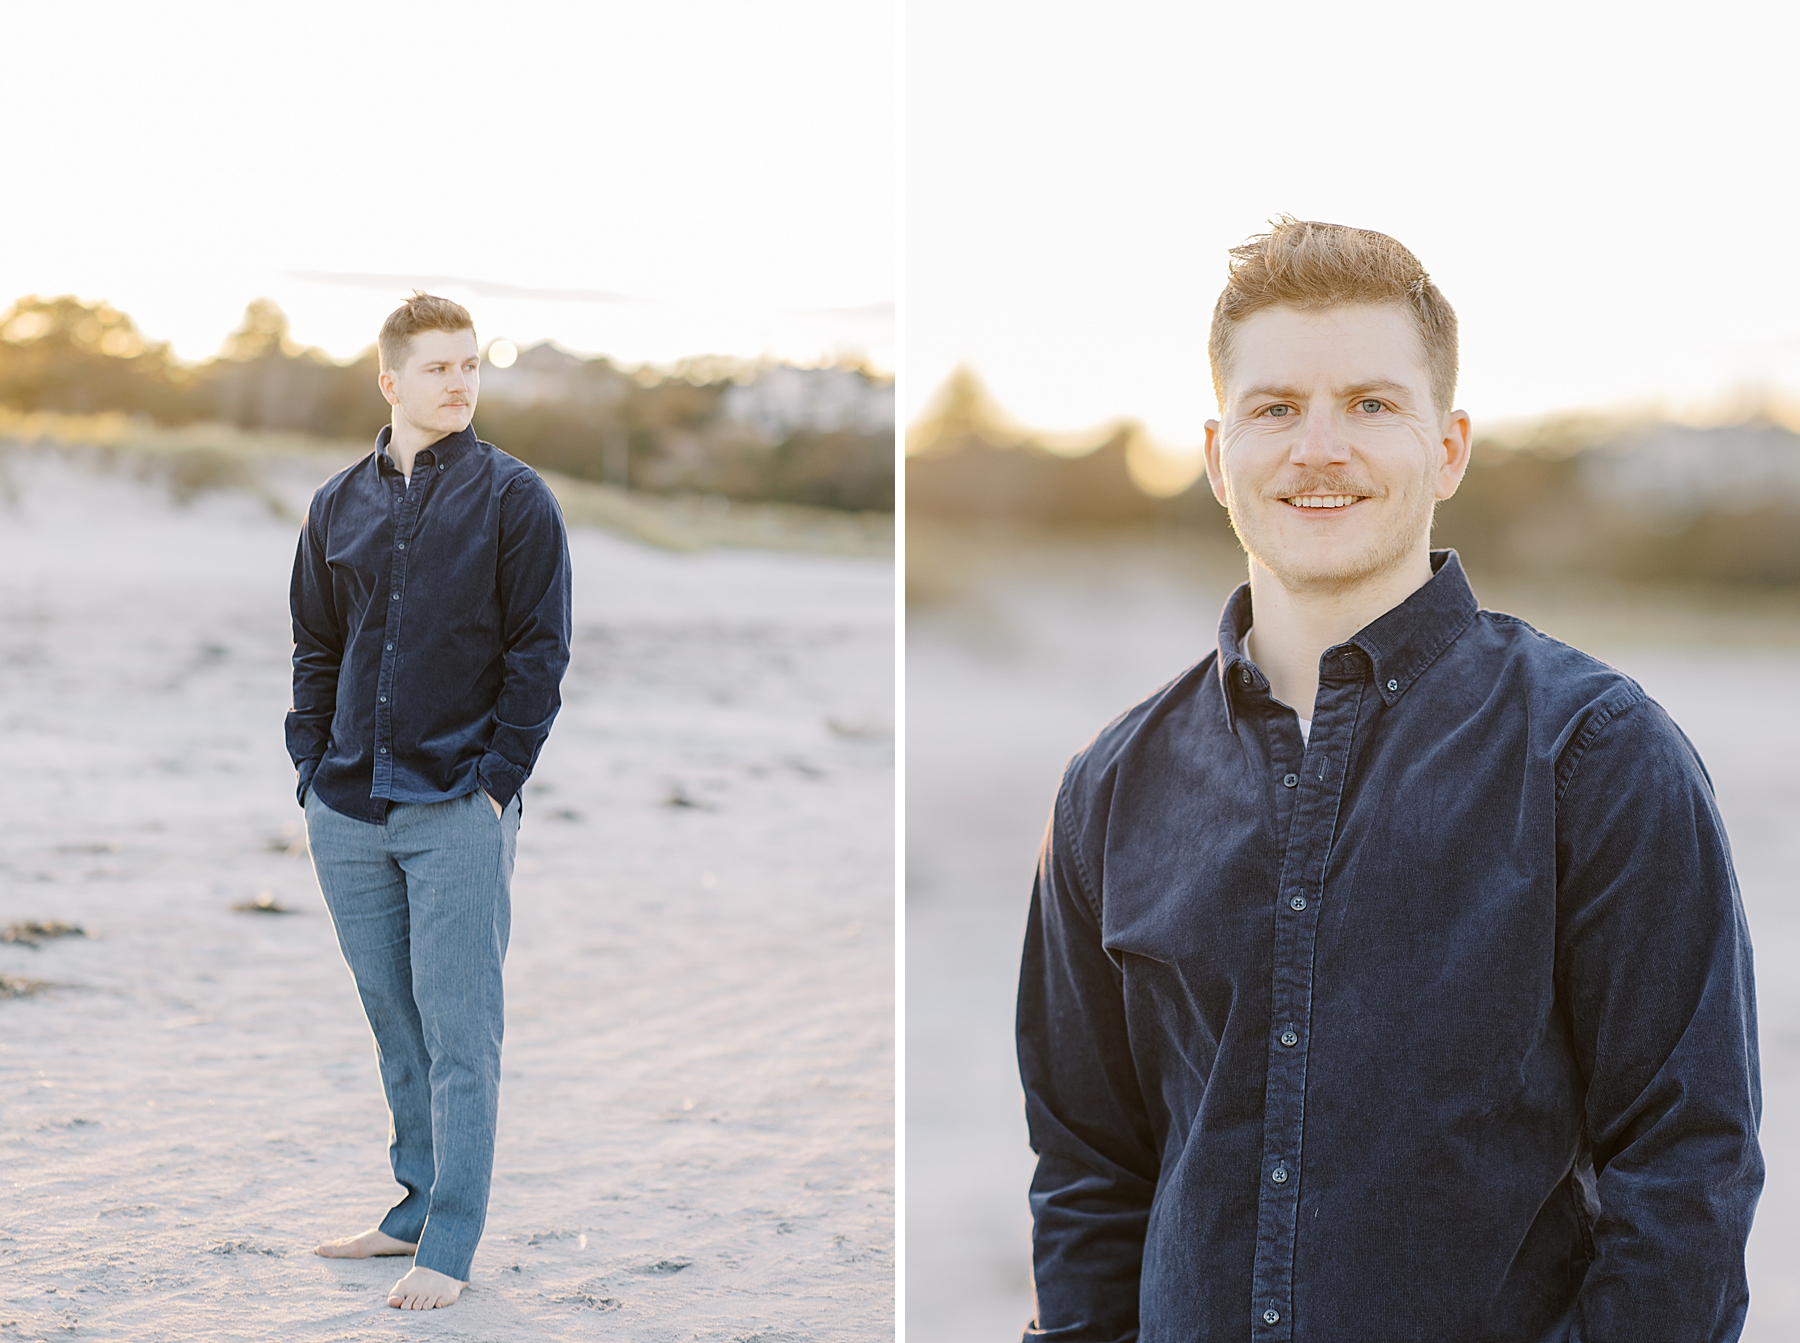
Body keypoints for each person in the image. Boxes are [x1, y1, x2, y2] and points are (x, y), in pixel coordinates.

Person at [1015, 219, 1762, 1341]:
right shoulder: (1109, 790)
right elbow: (1088, 1172)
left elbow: (1688, 1169)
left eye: (1372, 404)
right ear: (1220, 457)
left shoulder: (1598, 755)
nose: (1321, 449)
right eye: (1276, 409)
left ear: (1448, 447)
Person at [286, 292, 572, 1310]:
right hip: (349, 803)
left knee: (463, 1029)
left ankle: (447, 1242)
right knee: (393, 1016)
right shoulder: (335, 505)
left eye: (470, 365)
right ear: (391, 380)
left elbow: (541, 654)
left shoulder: (515, 499)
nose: (459, 382)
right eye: (439, 366)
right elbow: (316, 647)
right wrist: (310, 767)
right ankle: (411, 1205)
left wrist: (497, 785)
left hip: (459, 800)